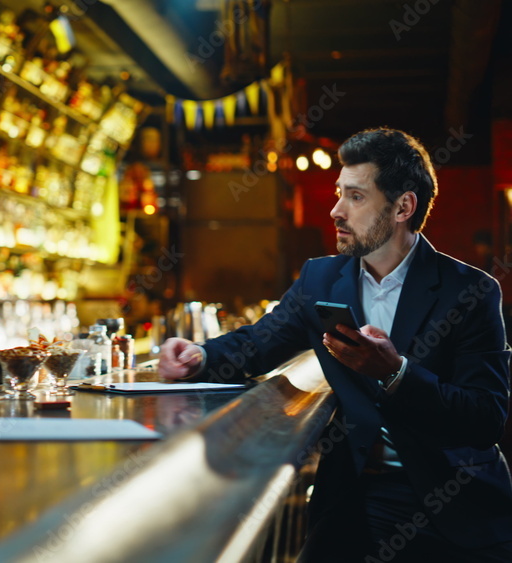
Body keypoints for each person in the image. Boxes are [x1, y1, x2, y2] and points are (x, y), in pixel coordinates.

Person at [158, 128, 512, 561]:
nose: (336, 210)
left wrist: (395, 374)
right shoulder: (321, 279)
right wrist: (199, 357)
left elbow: (485, 418)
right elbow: (257, 343)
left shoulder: (471, 291)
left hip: (454, 502)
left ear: (403, 206)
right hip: (358, 496)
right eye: (339, 193)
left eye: (356, 197)